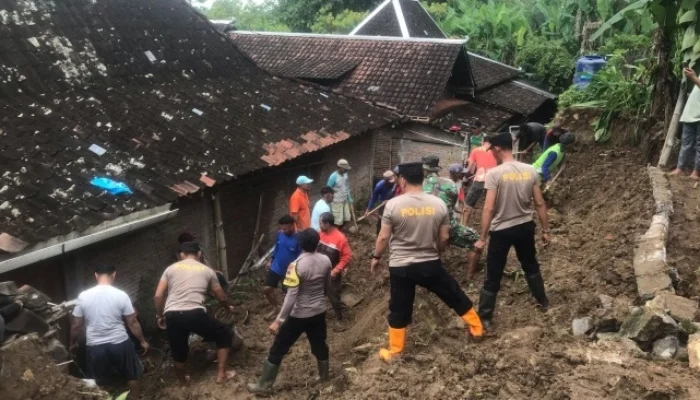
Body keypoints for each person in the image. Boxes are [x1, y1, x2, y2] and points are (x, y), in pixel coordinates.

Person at [370, 162, 483, 363]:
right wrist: (437, 251)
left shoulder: (393, 205)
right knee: (453, 293)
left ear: (403, 180)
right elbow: (445, 237)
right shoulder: (438, 204)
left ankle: (395, 351)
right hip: (429, 264)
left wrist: (376, 257)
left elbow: (382, 237)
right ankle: (477, 328)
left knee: (399, 307)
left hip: (401, 267)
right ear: (422, 179)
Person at [475, 132, 551, 329]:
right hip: (525, 227)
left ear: (498, 149)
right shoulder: (530, 170)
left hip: (501, 230)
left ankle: (485, 317)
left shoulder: (494, 174)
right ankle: (543, 301)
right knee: (530, 265)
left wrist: (482, 237)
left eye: (491, 149)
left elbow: (489, 208)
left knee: (494, 274)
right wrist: (545, 230)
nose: (491, 152)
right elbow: (540, 203)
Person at [248, 229, 332, 394]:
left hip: (298, 315)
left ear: (300, 244)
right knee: (319, 344)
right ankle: (324, 378)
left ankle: (264, 386)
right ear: (317, 242)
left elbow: (290, 297)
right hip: (318, 312)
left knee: (278, 348)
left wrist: (278, 320)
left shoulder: (296, 266)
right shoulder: (326, 260)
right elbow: (327, 286)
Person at [154, 242, 235, 385]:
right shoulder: (207, 271)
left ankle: (183, 381)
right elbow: (221, 296)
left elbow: (158, 296)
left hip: (172, 314)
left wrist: (160, 316)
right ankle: (221, 375)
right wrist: (228, 307)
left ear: (181, 255)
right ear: (199, 254)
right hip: (194, 313)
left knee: (178, 349)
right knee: (224, 334)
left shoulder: (170, 269)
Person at [71, 263, 149, 399]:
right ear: (114, 275)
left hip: (95, 346)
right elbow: (132, 322)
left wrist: (72, 343)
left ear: (96, 275)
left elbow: (76, 325)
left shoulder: (82, 296)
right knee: (132, 374)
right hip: (120, 342)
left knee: (98, 381)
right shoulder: (121, 295)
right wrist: (142, 341)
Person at [422, 155, 482, 284]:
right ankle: (469, 277)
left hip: (422, 227)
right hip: (446, 225)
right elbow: (451, 205)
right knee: (477, 241)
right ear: (437, 169)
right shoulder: (449, 184)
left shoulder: (417, 185)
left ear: (424, 170)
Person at [317, 212, 352, 321]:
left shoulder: (340, 239)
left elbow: (347, 256)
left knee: (333, 295)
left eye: (321, 223)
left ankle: (339, 317)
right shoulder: (320, 234)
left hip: (332, 273)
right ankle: (317, 314)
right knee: (318, 293)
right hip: (319, 271)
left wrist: (336, 270)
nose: (319, 226)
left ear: (327, 224)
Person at [264, 215, 301, 319]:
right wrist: (271, 260)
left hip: (289, 272)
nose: (282, 230)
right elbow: (277, 247)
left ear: (292, 226)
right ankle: (275, 308)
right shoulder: (280, 234)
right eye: (281, 228)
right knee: (266, 289)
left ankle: (292, 314)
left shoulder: (299, 239)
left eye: (284, 228)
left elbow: (301, 257)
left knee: (289, 294)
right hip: (276, 268)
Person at [671, 66, 700, 179]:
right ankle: (680, 168)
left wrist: (693, 77)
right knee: (686, 142)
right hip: (691, 111)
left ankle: (696, 172)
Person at [463, 141, 498, 226]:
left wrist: (465, 178)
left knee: (468, 204)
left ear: (483, 141)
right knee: (491, 206)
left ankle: (463, 226)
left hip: (480, 180)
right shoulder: (497, 151)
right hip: (494, 181)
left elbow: (469, 168)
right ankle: (491, 227)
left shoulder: (476, 150)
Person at [327, 159, 353, 228]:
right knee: (338, 220)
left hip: (344, 199)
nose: (346, 170)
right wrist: (329, 202)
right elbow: (328, 189)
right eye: (345, 169)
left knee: (347, 217)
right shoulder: (333, 177)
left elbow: (346, 186)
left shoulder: (345, 174)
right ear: (339, 168)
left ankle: (340, 230)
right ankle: (336, 232)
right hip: (336, 201)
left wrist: (349, 197)